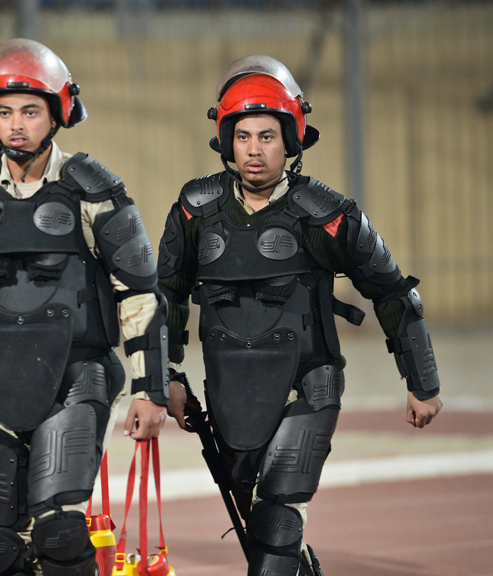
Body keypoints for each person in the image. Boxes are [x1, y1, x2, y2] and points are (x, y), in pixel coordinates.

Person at [156, 55, 443, 576]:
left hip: (307, 385)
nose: (254, 150)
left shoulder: (325, 214)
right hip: (229, 393)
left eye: (267, 136)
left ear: (292, 140)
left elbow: (393, 292)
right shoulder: (195, 209)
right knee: (261, 533)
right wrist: (167, 379)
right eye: (242, 136)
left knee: (277, 524)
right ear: (225, 139)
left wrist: (422, 383)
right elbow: (166, 296)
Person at [0, 39, 171, 576]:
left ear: (57, 114)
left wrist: (151, 389)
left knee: (58, 531)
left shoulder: (92, 188)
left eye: (30, 112)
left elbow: (139, 290)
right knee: (9, 545)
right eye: (4, 112)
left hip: (76, 376)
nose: (16, 126)